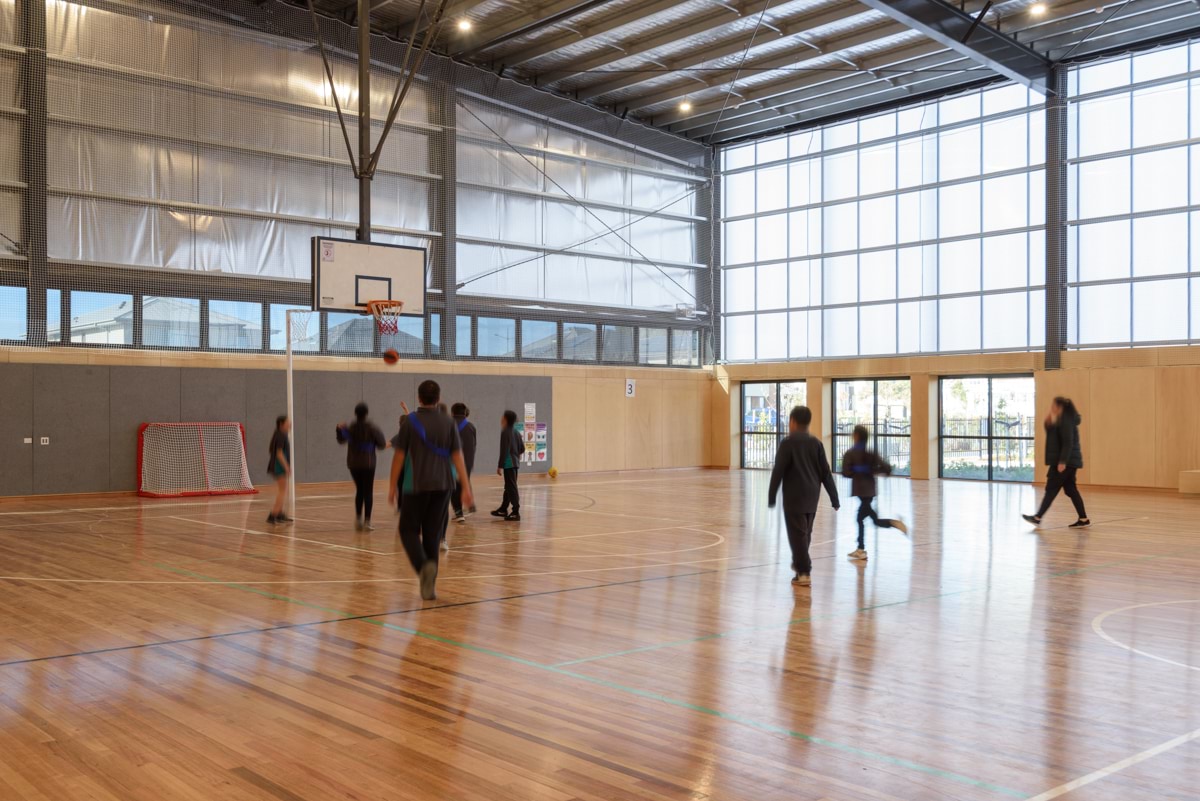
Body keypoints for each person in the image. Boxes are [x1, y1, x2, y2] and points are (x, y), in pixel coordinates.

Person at [389, 380, 473, 601]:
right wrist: (466, 487)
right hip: (444, 485)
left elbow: (398, 457)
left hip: (416, 485)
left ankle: (422, 566)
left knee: (407, 530)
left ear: (419, 398)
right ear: (438, 398)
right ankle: (429, 588)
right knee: (432, 536)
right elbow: (458, 457)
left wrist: (391, 486)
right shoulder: (448, 423)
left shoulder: (409, 423)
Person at [768, 406, 839, 587]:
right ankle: (800, 564)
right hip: (812, 497)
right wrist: (834, 497)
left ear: (792, 421)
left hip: (794, 497)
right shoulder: (816, 443)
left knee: (797, 535)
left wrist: (771, 495)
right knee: (805, 533)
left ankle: (804, 571)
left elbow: (778, 471)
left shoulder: (787, 443)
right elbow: (826, 473)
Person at [841, 425, 908, 561]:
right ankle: (861, 548)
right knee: (871, 519)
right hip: (869, 490)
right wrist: (871, 470)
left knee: (862, 519)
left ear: (857, 437)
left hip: (862, 491)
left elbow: (846, 472)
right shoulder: (871, 454)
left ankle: (862, 549)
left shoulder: (851, 454)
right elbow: (887, 468)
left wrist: (860, 470)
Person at [1023, 396, 1089, 528]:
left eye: (1054, 405)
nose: (1051, 407)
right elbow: (1056, 436)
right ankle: (1083, 519)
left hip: (1065, 461)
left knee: (1051, 489)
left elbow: (1067, 442)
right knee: (1071, 489)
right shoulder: (1063, 420)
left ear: (1060, 407)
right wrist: (1048, 424)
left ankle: (1038, 517)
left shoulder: (1065, 420)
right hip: (1069, 461)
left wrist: (1062, 461)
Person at [336, 403, 387, 531]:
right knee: (368, 491)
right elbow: (382, 444)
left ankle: (358, 518)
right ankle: (367, 521)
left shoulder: (350, 428)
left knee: (359, 490)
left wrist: (338, 430)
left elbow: (341, 440)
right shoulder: (372, 428)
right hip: (368, 464)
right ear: (367, 413)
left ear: (355, 413)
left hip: (353, 463)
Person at [492, 410, 523, 522]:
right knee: (509, 487)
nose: (501, 419)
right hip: (515, 463)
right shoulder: (516, 432)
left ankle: (515, 511)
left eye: (502, 417)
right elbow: (522, 448)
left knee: (511, 487)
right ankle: (503, 509)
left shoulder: (505, 432)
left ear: (505, 419)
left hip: (509, 464)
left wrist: (500, 466)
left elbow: (504, 450)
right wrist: (517, 455)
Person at [450, 403, 477, 526]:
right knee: (464, 482)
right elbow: (474, 445)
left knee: (454, 487)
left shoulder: (449, 425)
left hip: (454, 462)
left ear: (452, 412)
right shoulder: (471, 426)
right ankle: (470, 506)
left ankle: (459, 513)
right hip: (468, 461)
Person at [267, 415, 292, 526]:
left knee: (283, 490)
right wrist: (286, 466)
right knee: (282, 491)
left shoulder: (278, 434)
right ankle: (273, 515)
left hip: (277, 465)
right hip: (278, 466)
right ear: (282, 424)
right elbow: (279, 453)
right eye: (288, 422)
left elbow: (270, 450)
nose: (290, 424)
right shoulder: (281, 435)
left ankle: (280, 514)